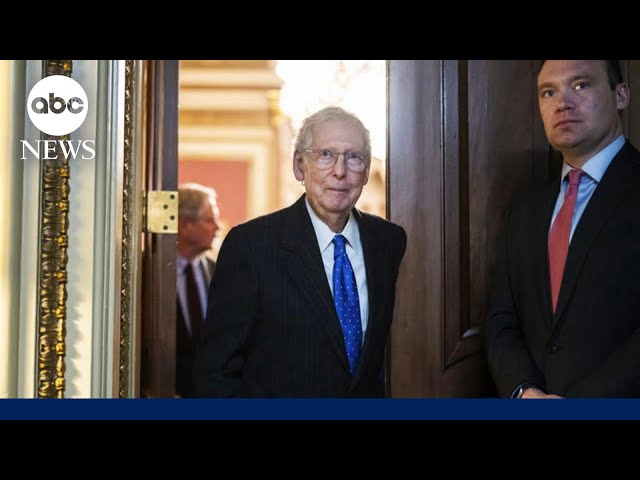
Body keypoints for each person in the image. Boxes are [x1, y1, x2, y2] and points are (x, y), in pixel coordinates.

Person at [194, 106, 407, 397]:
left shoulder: (389, 242)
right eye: (325, 155)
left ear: (367, 170)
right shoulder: (250, 246)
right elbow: (216, 373)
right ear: (299, 166)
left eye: (353, 157)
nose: (340, 171)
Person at [486, 60, 640, 398]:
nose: (563, 103)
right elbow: (501, 321)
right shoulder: (525, 208)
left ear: (622, 95)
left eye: (581, 85)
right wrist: (524, 391)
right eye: (549, 92)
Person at [176, 182, 221, 397]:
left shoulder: (219, 270)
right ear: (185, 224)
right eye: (209, 220)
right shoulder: (150, 271)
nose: (217, 227)